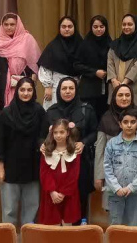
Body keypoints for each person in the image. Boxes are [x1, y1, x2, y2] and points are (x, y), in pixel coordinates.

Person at [41, 77, 98, 223]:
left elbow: (95, 132)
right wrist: (42, 144)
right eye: (64, 88)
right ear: (59, 91)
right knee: (54, 210)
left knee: (77, 206)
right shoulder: (51, 111)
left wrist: (84, 143)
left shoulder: (86, 109)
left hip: (79, 165)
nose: (67, 91)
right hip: (54, 170)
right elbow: (41, 135)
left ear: (76, 90)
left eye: (71, 88)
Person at [0, 77, 46, 226]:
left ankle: (28, 236)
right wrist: (0, 166)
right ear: (16, 91)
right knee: (9, 210)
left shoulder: (39, 111)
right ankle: (9, 237)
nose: (26, 93)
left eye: (29, 90)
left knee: (31, 209)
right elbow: (1, 141)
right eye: (22, 90)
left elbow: (43, 136)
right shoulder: (7, 113)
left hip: (33, 168)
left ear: (34, 92)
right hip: (11, 168)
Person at [94, 84, 137, 210]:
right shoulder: (106, 117)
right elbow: (100, 149)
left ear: (132, 97)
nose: (124, 98)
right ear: (114, 97)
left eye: (127, 95)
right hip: (112, 175)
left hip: (135, 176)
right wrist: (98, 175)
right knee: (114, 214)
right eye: (120, 95)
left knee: (133, 213)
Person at [104, 109, 137, 226]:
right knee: (115, 226)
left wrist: (131, 187)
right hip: (115, 192)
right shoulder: (111, 143)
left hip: (135, 193)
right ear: (120, 124)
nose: (129, 125)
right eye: (125, 122)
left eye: (133, 122)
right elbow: (107, 168)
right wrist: (117, 188)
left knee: (132, 225)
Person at [0, 13, 41, 108]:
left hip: (24, 82)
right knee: (5, 111)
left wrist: (33, 75)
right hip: (4, 83)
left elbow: (34, 60)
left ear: (18, 25)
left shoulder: (27, 39)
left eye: (12, 24)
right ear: (2, 25)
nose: (9, 27)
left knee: (25, 109)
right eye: (6, 24)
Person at [38, 119, 81, 225]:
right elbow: (44, 173)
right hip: (51, 194)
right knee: (52, 224)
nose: (58, 135)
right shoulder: (47, 151)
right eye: (55, 132)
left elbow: (74, 174)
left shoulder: (74, 151)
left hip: (68, 193)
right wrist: (52, 191)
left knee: (67, 224)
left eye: (61, 132)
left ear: (68, 133)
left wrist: (63, 192)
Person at [38, 16, 83, 110]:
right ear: (59, 28)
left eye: (70, 26)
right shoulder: (53, 46)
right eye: (63, 26)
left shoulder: (82, 45)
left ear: (74, 28)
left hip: (76, 87)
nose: (67, 29)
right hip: (56, 87)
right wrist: (48, 87)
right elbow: (45, 67)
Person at [108, 14, 137, 110]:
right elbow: (110, 63)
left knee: (134, 117)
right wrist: (113, 80)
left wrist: (124, 83)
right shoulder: (115, 44)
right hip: (115, 87)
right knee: (116, 117)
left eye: (130, 24)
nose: (126, 27)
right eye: (124, 24)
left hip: (135, 89)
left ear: (136, 25)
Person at [75, 15, 112, 120]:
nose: (98, 29)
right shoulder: (84, 45)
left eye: (101, 26)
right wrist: (95, 72)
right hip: (89, 89)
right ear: (91, 28)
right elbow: (77, 65)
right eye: (95, 27)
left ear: (106, 27)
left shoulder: (111, 44)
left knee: (104, 118)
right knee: (89, 119)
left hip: (106, 90)